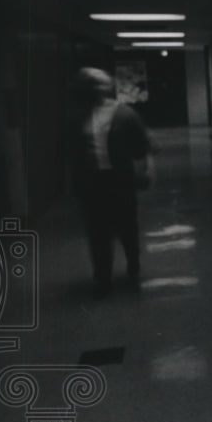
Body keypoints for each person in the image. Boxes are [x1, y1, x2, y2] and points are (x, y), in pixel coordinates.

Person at [67, 67, 154, 295]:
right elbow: (70, 151)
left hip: (120, 180)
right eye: (93, 85)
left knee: (127, 225)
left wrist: (143, 171)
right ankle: (102, 274)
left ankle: (132, 260)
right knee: (97, 230)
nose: (98, 89)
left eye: (101, 85)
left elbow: (141, 147)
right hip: (91, 182)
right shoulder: (78, 115)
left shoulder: (124, 114)